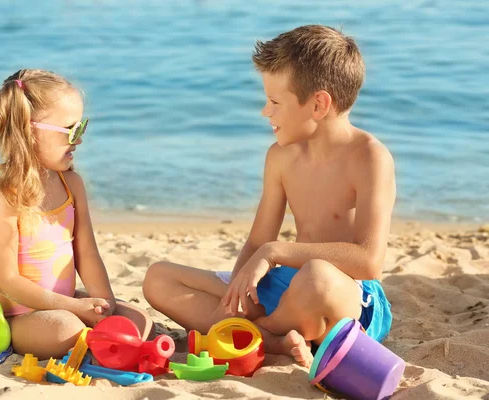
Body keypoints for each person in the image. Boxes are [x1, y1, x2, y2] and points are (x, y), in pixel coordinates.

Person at [142, 25, 395, 367]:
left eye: (275, 102)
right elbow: (257, 242)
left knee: (316, 277)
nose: (265, 111)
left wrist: (274, 251)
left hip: (345, 296)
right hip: (286, 286)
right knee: (159, 277)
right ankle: (270, 339)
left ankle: (255, 332)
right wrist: (235, 298)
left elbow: (368, 262)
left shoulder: (369, 157)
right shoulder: (281, 157)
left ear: (319, 104)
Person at [0, 69, 152, 360]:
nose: (80, 140)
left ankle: (97, 337)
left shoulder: (71, 185)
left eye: (83, 127)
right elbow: (6, 280)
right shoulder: (6, 198)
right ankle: (92, 339)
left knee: (139, 320)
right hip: (19, 316)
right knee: (65, 330)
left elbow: (86, 254)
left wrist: (107, 304)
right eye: (72, 130)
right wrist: (71, 307)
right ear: (30, 130)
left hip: (65, 304)